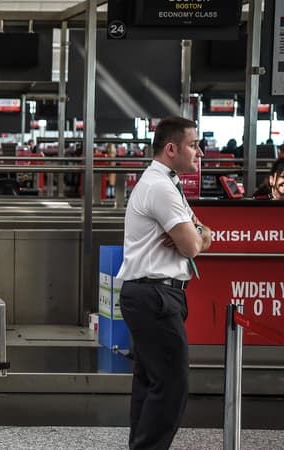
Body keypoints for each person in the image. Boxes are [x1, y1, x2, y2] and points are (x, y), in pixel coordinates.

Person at [116, 116, 213, 450]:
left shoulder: (168, 184)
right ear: (171, 148)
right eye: (193, 144)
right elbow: (192, 245)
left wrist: (195, 233)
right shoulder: (160, 187)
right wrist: (195, 235)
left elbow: (202, 235)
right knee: (171, 386)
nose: (199, 152)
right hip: (154, 295)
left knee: (150, 383)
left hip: (153, 294)